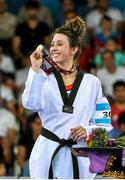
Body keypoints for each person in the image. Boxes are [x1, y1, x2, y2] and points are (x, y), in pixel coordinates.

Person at [22, 16, 111, 179]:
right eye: (53, 44)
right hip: (47, 153)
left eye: (60, 44)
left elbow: (105, 123)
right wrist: (35, 70)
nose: (54, 48)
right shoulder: (44, 78)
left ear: (74, 49)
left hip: (78, 154)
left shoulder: (92, 83)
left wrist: (88, 130)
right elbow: (30, 104)